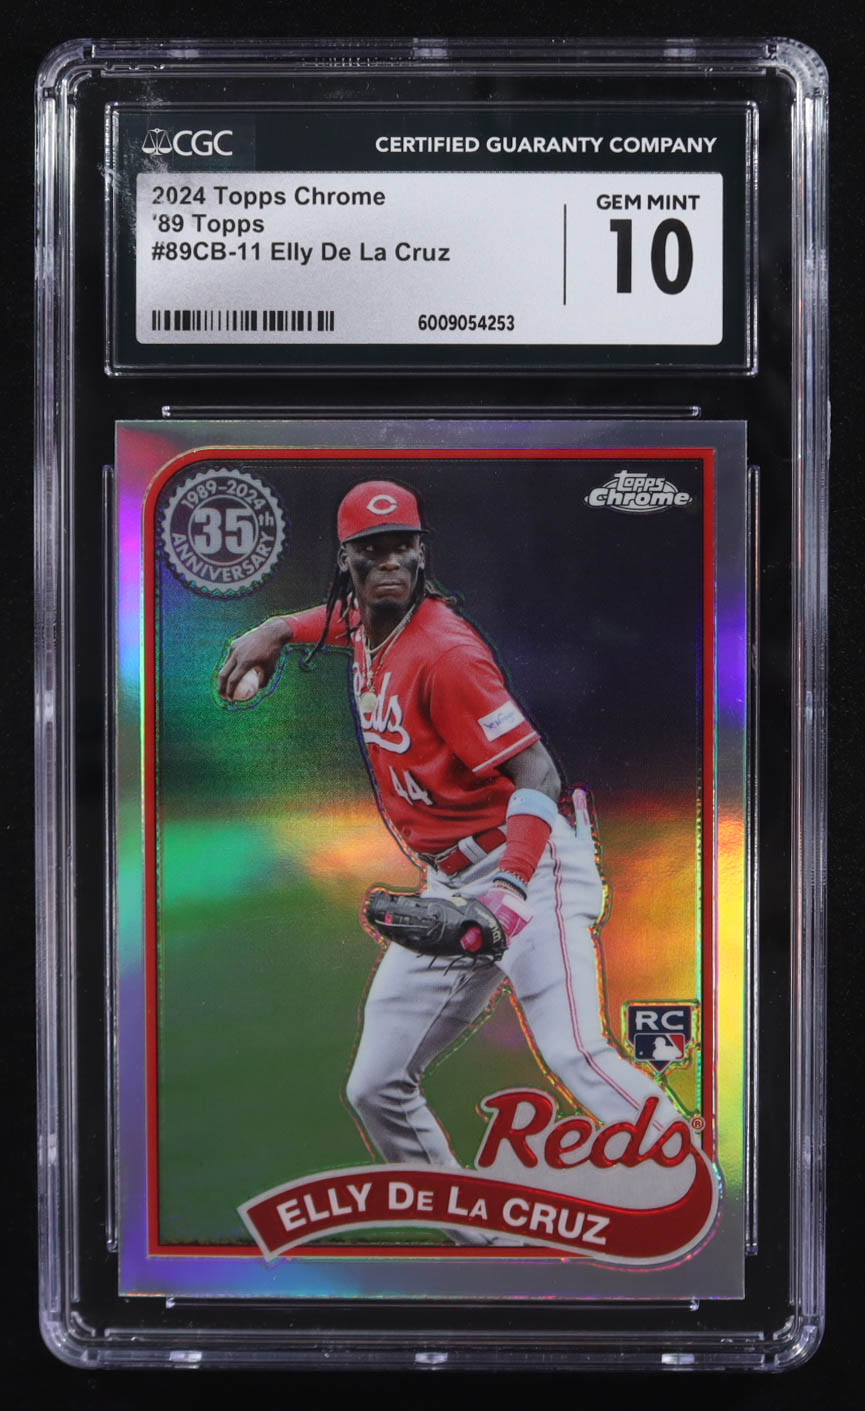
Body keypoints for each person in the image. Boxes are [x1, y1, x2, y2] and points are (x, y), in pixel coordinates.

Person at [217, 479, 683, 1240]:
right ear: (346, 562)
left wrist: (509, 889)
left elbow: (538, 774)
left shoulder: (446, 653)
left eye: (402, 546)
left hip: (531, 868)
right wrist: (276, 628)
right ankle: (478, 1237)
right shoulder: (367, 623)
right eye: (371, 550)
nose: (389, 561)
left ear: (421, 553)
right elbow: (343, 620)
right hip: (451, 882)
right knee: (375, 1085)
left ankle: (695, 1185)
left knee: (575, 1051)